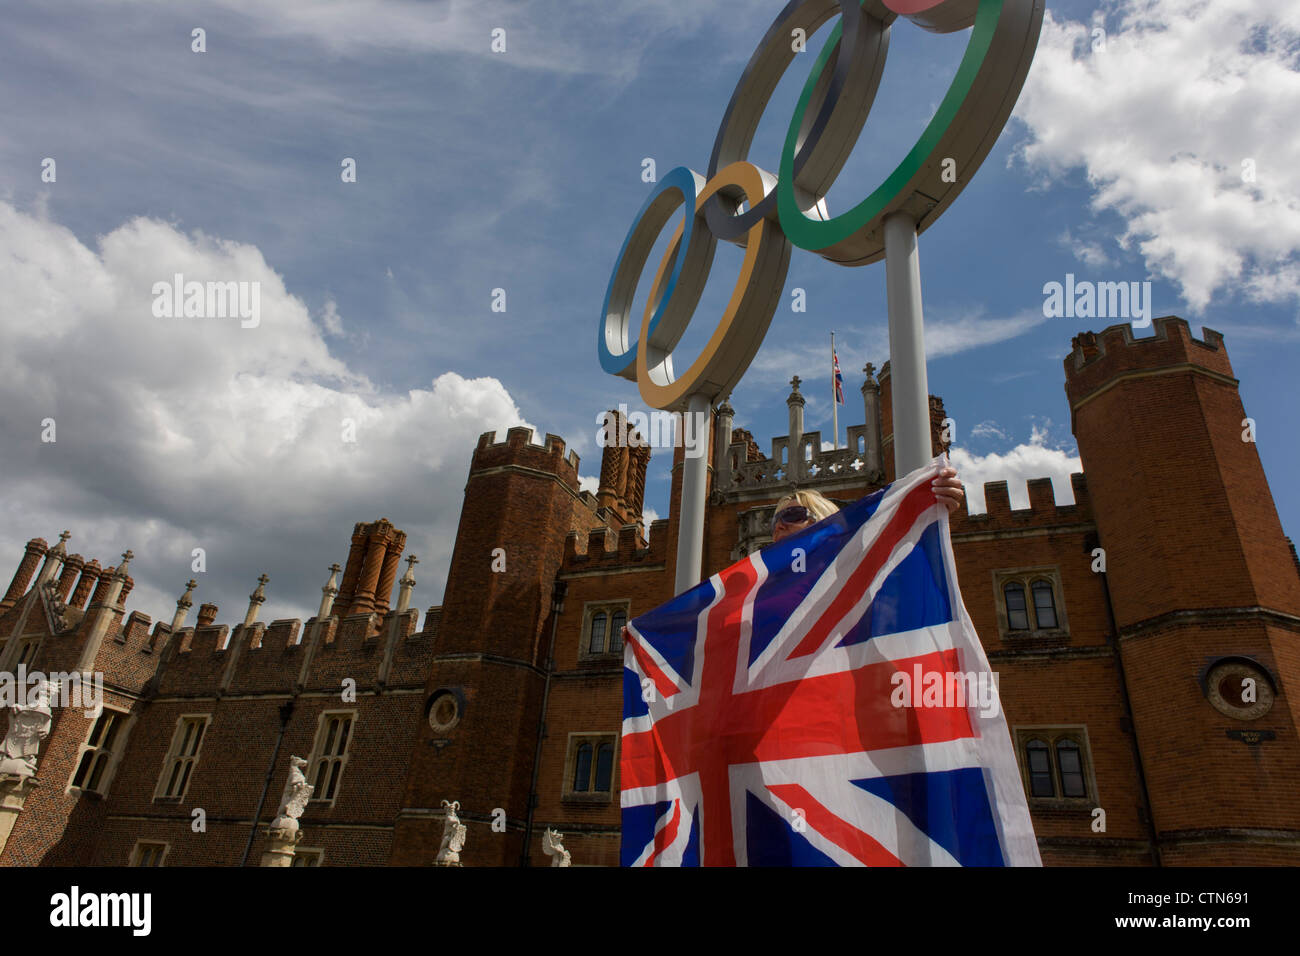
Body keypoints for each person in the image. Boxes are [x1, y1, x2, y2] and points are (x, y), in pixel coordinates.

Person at [770, 466, 965, 543]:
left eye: (792, 515)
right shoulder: (761, 585)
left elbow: (903, 551)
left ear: (822, 524)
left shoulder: (848, 568)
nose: (779, 526)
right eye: (774, 522)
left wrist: (930, 507)